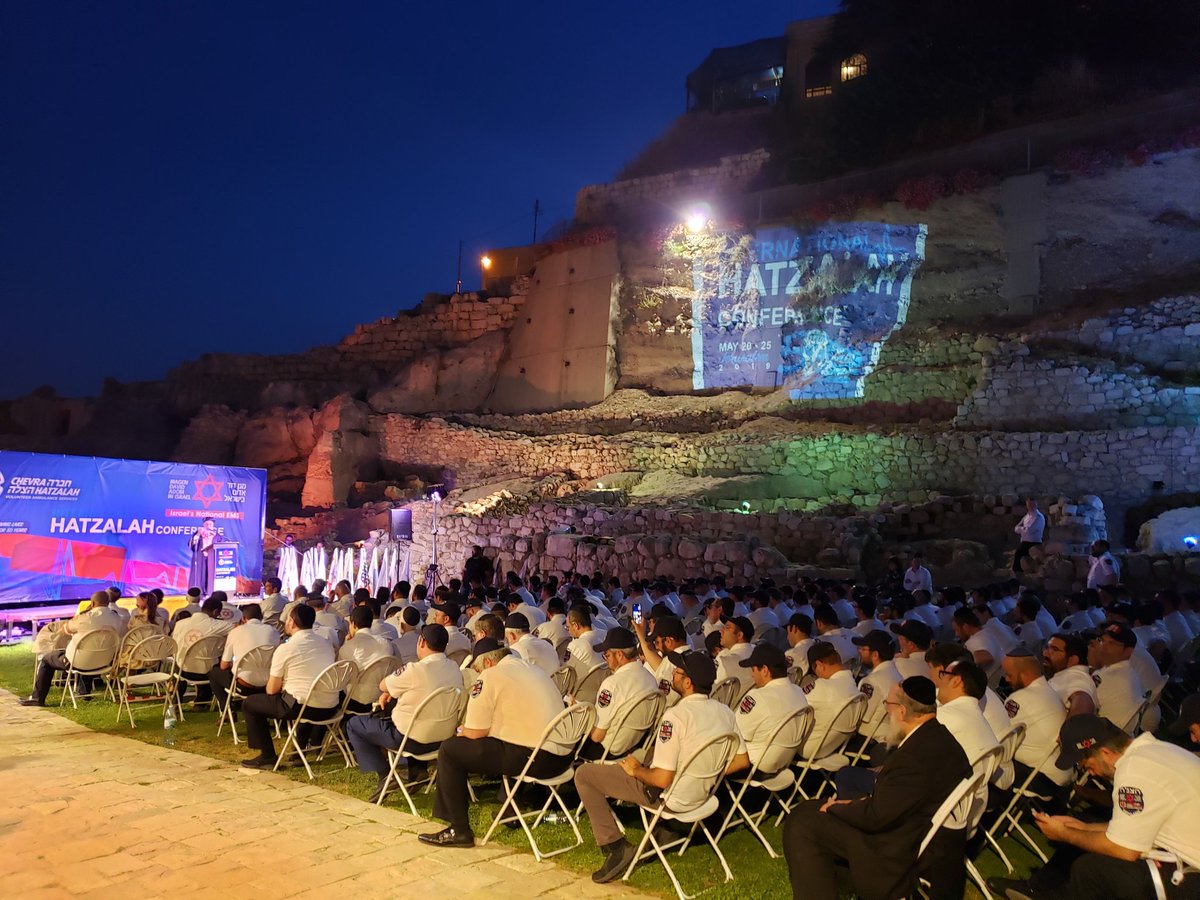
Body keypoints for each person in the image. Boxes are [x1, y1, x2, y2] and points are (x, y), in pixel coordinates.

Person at [782, 676, 973, 900]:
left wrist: (837, 808)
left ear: (902, 711)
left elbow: (877, 817)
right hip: (920, 833)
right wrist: (852, 804)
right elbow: (895, 803)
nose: (886, 710)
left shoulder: (911, 758)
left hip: (896, 853)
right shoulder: (943, 740)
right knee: (813, 810)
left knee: (803, 821)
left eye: (888, 705)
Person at [574, 649, 750, 883]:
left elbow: (662, 779)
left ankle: (615, 847)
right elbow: (742, 760)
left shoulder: (676, 717)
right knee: (648, 754)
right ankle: (663, 831)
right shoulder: (725, 712)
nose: (672, 674)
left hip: (670, 796)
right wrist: (703, 772)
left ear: (687, 683)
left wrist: (636, 770)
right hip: (703, 794)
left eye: (677, 672)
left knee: (584, 774)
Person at [991, 714, 1200, 900]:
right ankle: (1038, 890)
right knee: (1085, 827)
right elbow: (1135, 829)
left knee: (1091, 870)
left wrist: (1064, 834)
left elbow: (1124, 849)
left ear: (1105, 753)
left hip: (1191, 876)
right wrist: (1081, 828)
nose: (1089, 773)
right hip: (1187, 862)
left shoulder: (1134, 770)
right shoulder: (1154, 751)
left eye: (1087, 765)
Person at [418, 638, 571, 848]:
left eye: (478, 669)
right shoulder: (533, 669)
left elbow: (475, 732)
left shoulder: (491, 675)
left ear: (488, 663)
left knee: (450, 750)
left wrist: (463, 730)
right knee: (503, 742)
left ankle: (458, 829)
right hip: (563, 758)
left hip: (536, 759)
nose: (479, 674)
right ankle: (511, 809)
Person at [346, 624, 463, 801]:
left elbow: (383, 685)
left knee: (355, 724)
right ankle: (417, 771)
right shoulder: (454, 668)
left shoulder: (415, 670)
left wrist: (388, 691)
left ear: (421, 641)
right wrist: (389, 693)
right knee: (419, 715)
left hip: (408, 739)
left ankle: (385, 774)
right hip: (441, 739)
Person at [239, 603, 338, 768]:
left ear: (292, 622)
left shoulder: (286, 648)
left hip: (302, 707)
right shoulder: (326, 643)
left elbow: (272, 690)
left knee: (250, 704)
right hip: (330, 707)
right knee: (302, 694)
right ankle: (299, 749)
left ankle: (267, 755)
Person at [23, 590, 124, 706]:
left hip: (77, 663)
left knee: (47, 659)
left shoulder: (85, 618)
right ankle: (84, 692)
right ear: (108, 602)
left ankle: (37, 698)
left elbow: (66, 629)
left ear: (93, 603)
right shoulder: (117, 618)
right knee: (90, 650)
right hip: (105, 662)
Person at [999, 648, 1073, 791]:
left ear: (1025, 674)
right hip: (1059, 773)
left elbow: (999, 735)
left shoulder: (1020, 698)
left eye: (1009, 674)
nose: (1006, 679)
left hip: (1039, 776)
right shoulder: (1051, 692)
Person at [579, 627, 659, 759]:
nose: (605, 660)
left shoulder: (612, 684)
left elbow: (597, 736)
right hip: (635, 743)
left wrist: (578, 713)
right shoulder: (650, 679)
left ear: (620, 655)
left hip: (608, 750)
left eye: (607, 655)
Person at [735, 643, 809, 767]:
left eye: (753, 669)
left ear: (764, 670)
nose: (752, 675)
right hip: (786, 759)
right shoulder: (798, 691)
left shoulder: (757, 697)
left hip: (756, 764)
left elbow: (736, 733)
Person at [208, 602, 279, 714]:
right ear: (261, 616)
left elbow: (224, 665)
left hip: (244, 685)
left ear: (243, 618)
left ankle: (227, 710)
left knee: (214, 672)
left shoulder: (236, 632)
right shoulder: (273, 631)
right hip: (268, 685)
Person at [801, 641, 860, 758]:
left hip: (811, 748)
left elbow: (793, 706)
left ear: (819, 665)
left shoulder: (821, 686)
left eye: (814, 672)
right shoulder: (853, 685)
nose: (816, 676)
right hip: (835, 745)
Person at [172, 595, 235, 703]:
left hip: (183, 671)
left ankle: (176, 701)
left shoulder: (179, 624)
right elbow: (238, 629)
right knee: (216, 660)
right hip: (208, 673)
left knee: (179, 659)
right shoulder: (220, 625)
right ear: (215, 612)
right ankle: (206, 700)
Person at [1089, 624, 1148, 734]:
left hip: (1105, 736)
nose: (1103, 647)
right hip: (1119, 733)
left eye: (1112, 643)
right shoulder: (1126, 671)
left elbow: (1081, 704)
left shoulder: (1109, 677)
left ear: (1128, 651)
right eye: (1102, 641)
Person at [853, 630, 903, 737]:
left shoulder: (870, 681)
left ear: (875, 655)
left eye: (863, 649)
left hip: (870, 738)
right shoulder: (897, 675)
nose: (859, 651)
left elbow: (861, 717)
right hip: (892, 734)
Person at [1042, 633, 1098, 717]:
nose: (1045, 653)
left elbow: (1084, 702)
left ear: (1073, 660)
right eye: (1047, 648)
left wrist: (1072, 725)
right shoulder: (1067, 675)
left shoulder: (1075, 677)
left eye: (1054, 649)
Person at [714, 615, 755, 695]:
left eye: (727, 628)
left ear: (739, 635)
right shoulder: (758, 651)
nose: (721, 631)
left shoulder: (724, 659)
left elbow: (715, 693)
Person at [565, 604, 605, 678]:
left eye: (568, 627)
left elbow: (566, 673)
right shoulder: (605, 635)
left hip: (586, 683)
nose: (568, 631)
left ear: (576, 625)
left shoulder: (575, 645)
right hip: (604, 679)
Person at [1013, 498, 1046, 574]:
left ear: (1036, 504)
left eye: (1032, 504)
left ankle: (1020, 574)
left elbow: (1029, 530)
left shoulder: (1039, 517)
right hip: (1024, 542)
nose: (1031, 506)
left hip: (1034, 543)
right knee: (1019, 556)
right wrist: (1024, 529)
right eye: (1029, 505)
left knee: (1020, 554)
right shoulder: (1026, 516)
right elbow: (1016, 528)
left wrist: (1022, 529)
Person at [188, 518, 219, 595]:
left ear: (213, 525)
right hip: (200, 557)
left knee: (210, 575)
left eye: (210, 524)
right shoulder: (198, 534)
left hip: (212, 558)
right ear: (203, 525)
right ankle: (199, 593)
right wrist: (198, 534)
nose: (208, 526)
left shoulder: (217, 535)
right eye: (206, 524)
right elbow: (192, 544)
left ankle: (210, 592)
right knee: (200, 575)